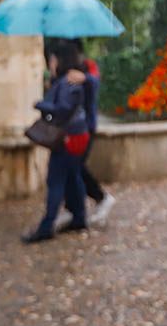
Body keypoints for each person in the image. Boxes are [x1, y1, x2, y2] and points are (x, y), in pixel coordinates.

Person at [22, 40, 91, 244]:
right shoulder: (65, 80)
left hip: (68, 137)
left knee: (56, 179)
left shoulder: (69, 81)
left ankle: (47, 225)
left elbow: (62, 108)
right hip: (76, 135)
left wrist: (41, 104)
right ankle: (79, 217)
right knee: (72, 176)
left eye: (52, 59)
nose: (49, 62)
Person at [55, 38, 115, 229]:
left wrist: (84, 78)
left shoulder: (88, 66)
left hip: (85, 127)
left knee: (76, 166)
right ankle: (73, 209)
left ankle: (101, 198)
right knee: (70, 168)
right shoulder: (62, 69)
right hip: (67, 128)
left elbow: (95, 82)